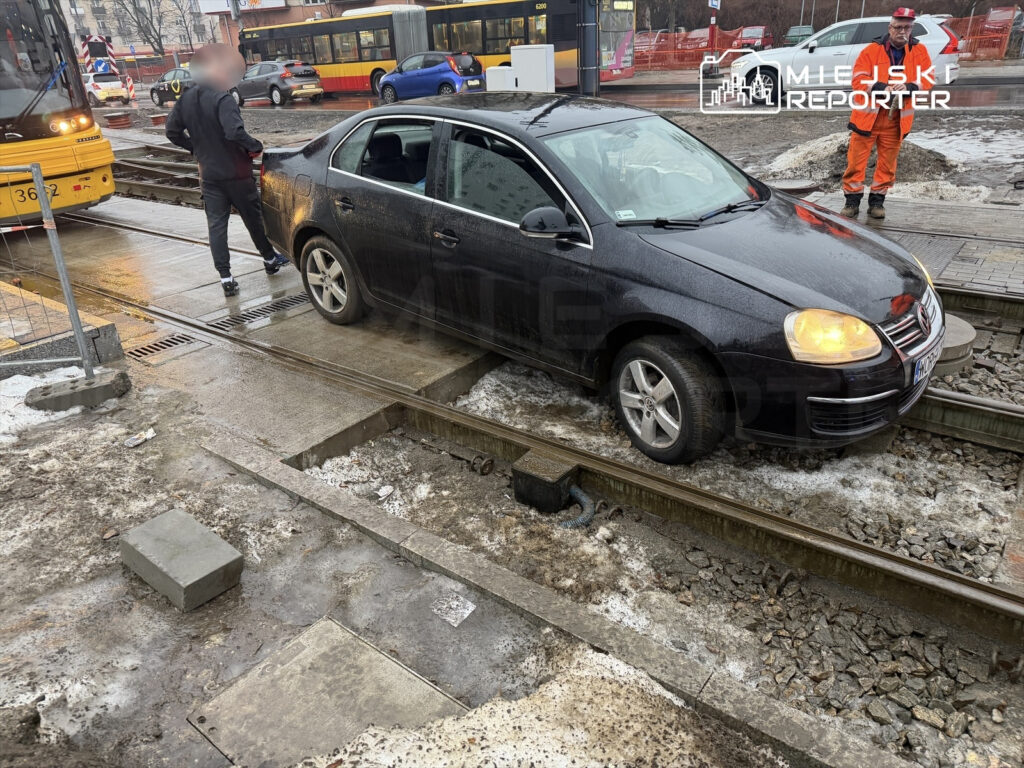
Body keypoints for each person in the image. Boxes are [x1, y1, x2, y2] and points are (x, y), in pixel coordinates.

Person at [165, 44, 288, 296]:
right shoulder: (223, 98)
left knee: (217, 226)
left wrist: (194, 148)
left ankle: (226, 278)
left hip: (209, 175)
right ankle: (269, 259)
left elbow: (171, 132)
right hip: (236, 173)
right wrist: (255, 145)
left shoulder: (185, 100)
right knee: (253, 218)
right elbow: (233, 132)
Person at [840, 7, 934, 220]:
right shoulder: (871, 51)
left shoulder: (919, 51)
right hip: (868, 118)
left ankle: (877, 203)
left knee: (887, 164)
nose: (902, 31)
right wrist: (882, 88)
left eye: (907, 27)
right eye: (898, 27)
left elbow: (928, 78)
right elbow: (858, 79)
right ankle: (851, 202)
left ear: (912, 29)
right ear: (890, 28)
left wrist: (909, 86)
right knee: (855, 162)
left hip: (896, 119)